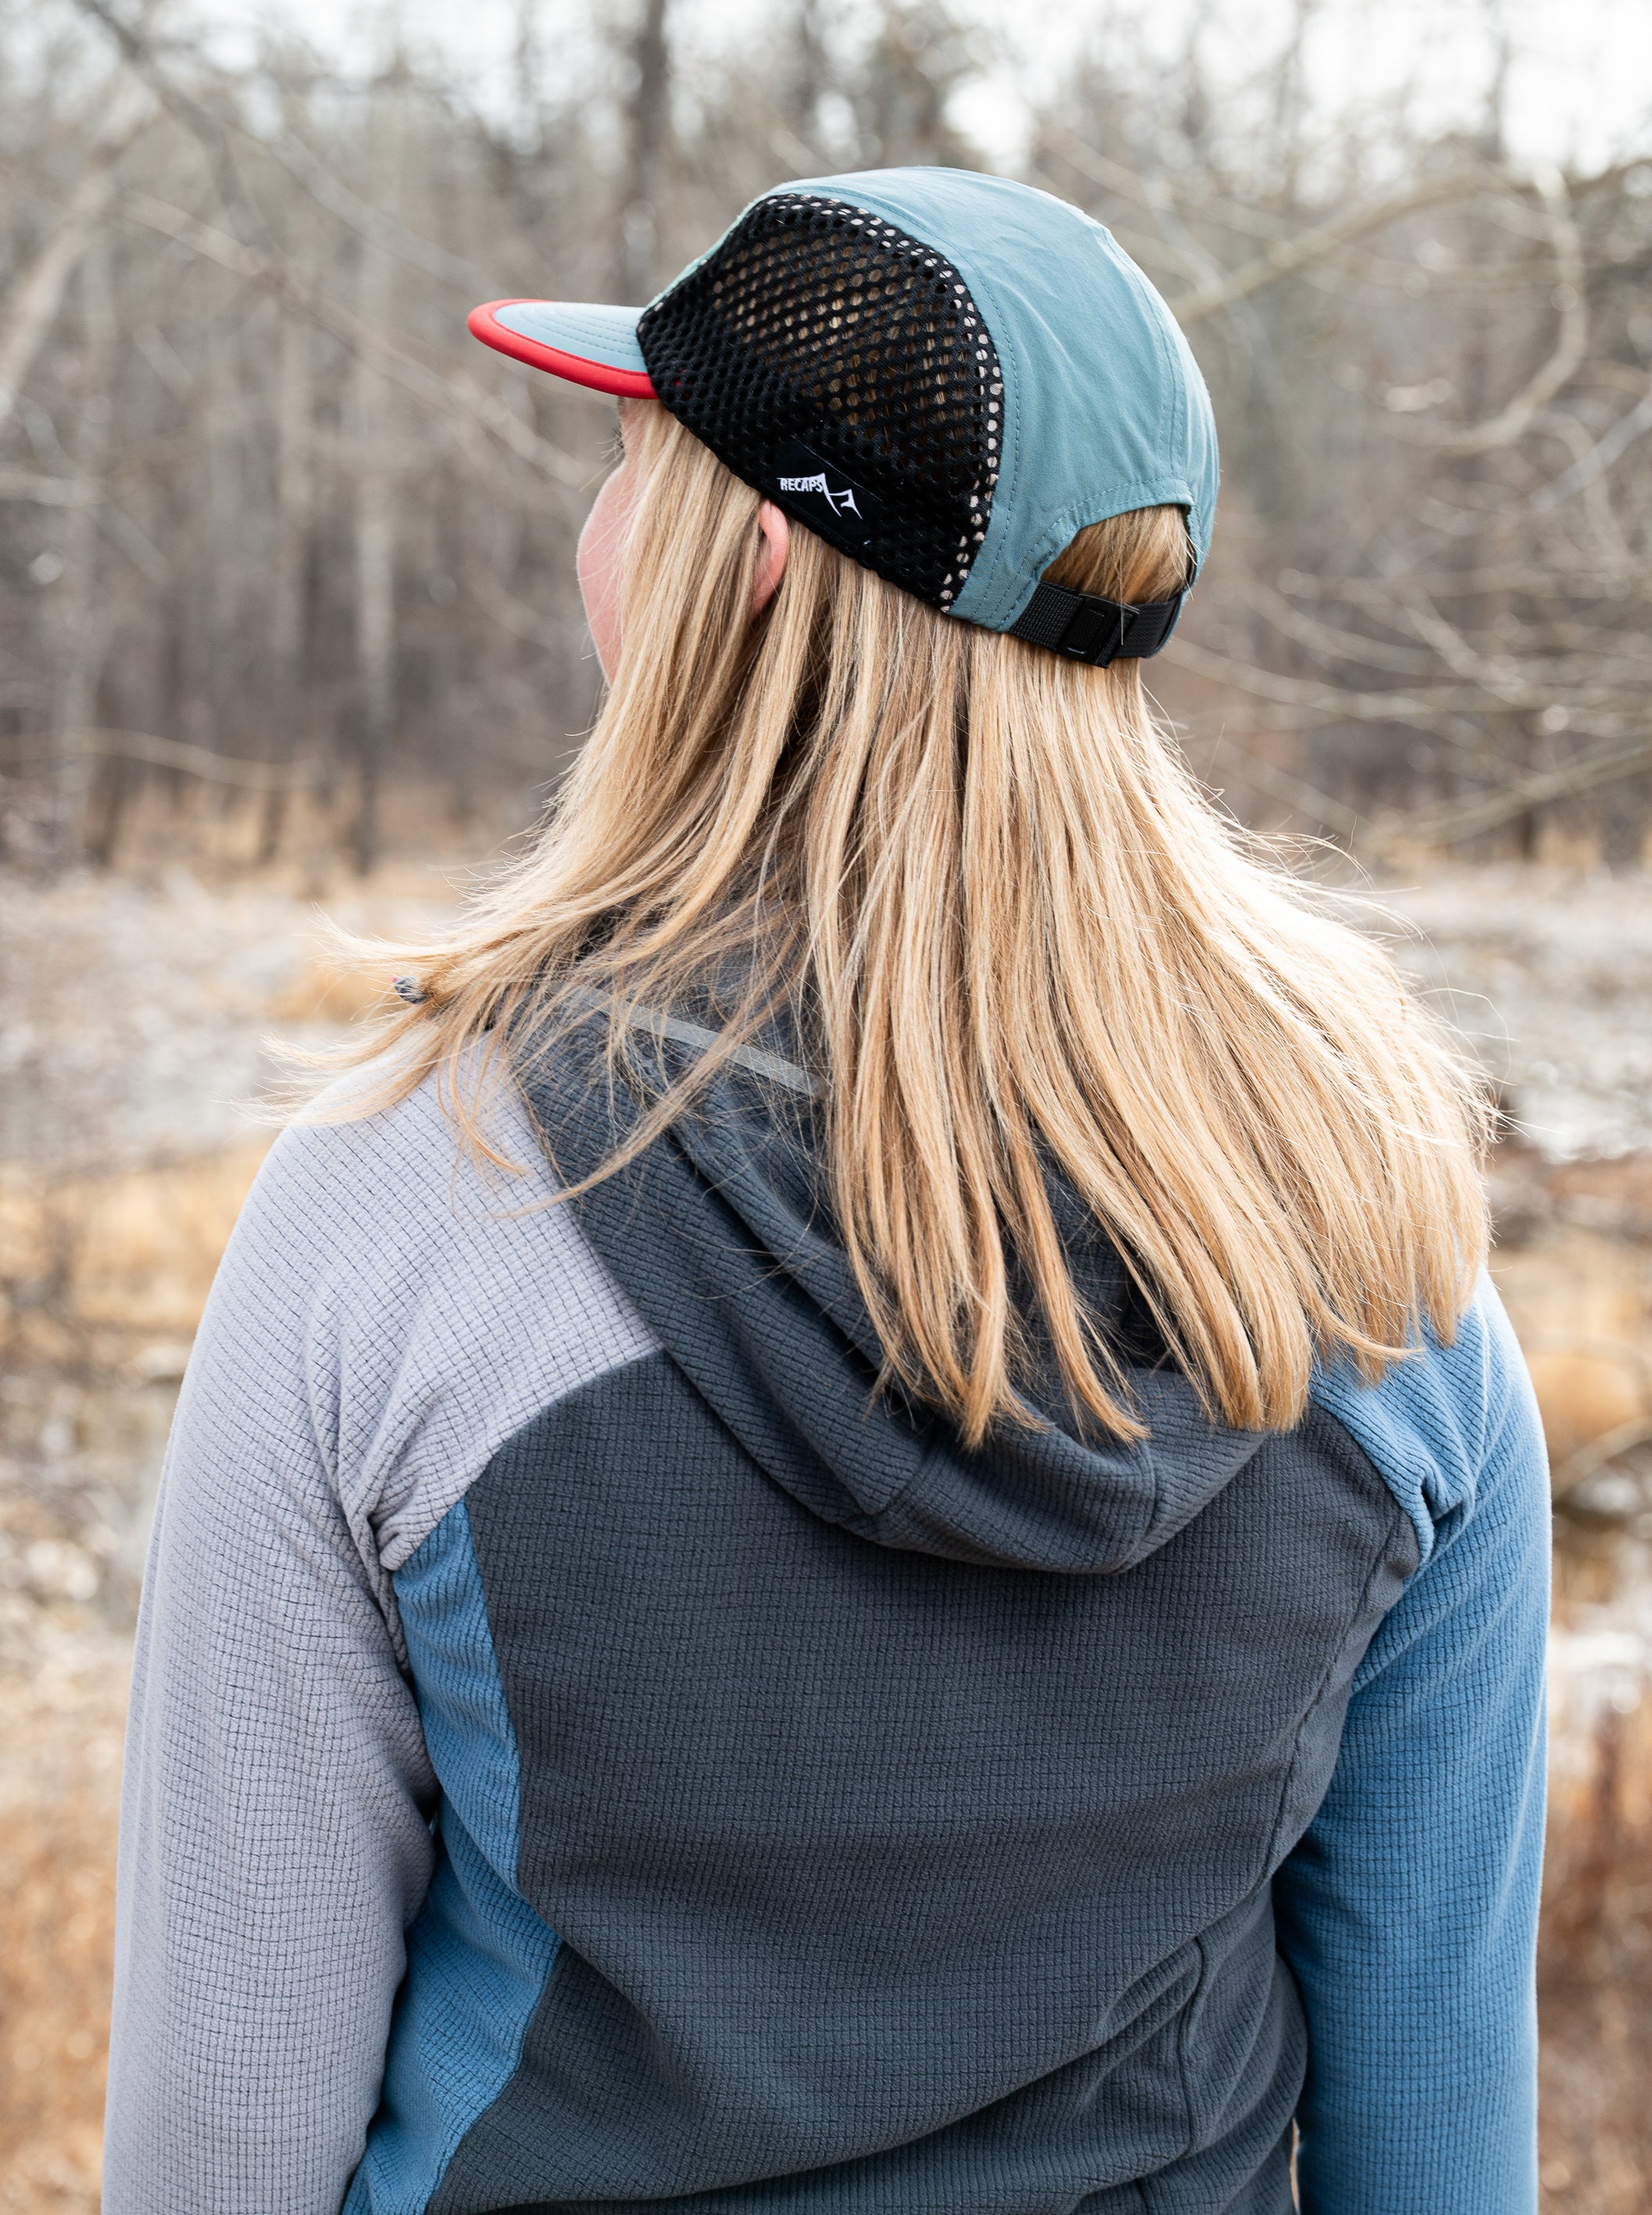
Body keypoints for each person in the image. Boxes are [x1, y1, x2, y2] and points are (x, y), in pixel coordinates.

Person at [103, 169, 1547, 2215]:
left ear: (756, 565)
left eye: (635, 473)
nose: (599, 532)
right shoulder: (1369, 1244)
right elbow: (1434, 2133)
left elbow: (223, 2139)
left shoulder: (404, 1198)